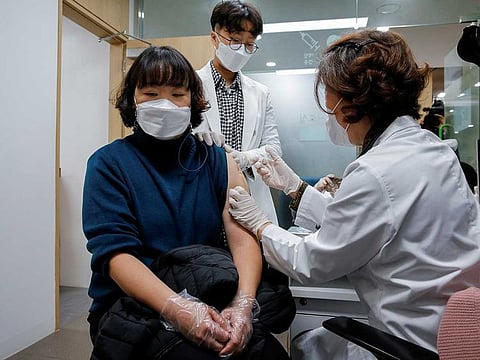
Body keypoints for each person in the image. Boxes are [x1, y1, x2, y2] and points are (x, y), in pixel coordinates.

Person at [228, 29, 480, 358]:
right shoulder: (434, 150)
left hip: (410, 339)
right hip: (453, 327)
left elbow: (311, 262)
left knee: (305, 346)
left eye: (331, 105)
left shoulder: (375, 169)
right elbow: (372, 220)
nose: (329, 115)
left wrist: (260, 224)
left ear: (354, 105)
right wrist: (297, 188)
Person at [82, 46, 290, 359]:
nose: (164, 104)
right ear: (131, 100)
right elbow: (116, 256)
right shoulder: (108, 164)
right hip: (135, 302)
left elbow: (243, 239)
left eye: (177, 94)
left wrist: (243, 305)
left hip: (209, 291)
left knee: (266, 354)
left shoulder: (220, 162)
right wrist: (177, 309)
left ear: (193, 100)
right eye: (151, 93)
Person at [194, 0, 281, 225]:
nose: (242, 49)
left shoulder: (261, 93)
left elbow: (274, 149)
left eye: (249, 44)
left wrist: (246, 158)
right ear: (215, 37)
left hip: (251, 199)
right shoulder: (188, 85)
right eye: (234, 40)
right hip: (202, 196)